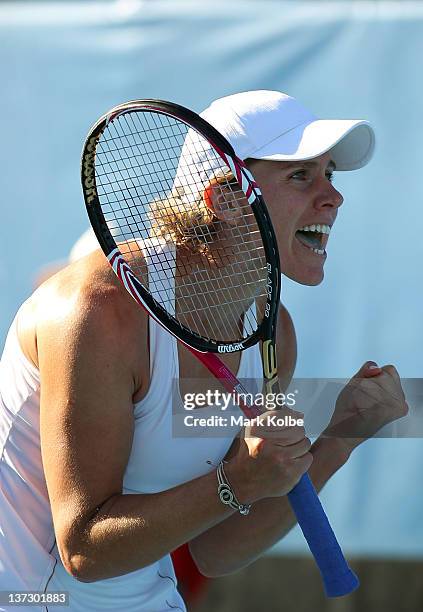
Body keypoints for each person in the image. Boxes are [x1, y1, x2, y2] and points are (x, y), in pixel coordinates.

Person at [0, 90, 408, 611]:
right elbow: (83, 549)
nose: (333, 196)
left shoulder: (273, 333)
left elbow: (216, 549)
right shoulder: (96, 312)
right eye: (301, 176)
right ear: (226, 200)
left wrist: (338, 440)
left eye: (331, 174)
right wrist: (234, 479)